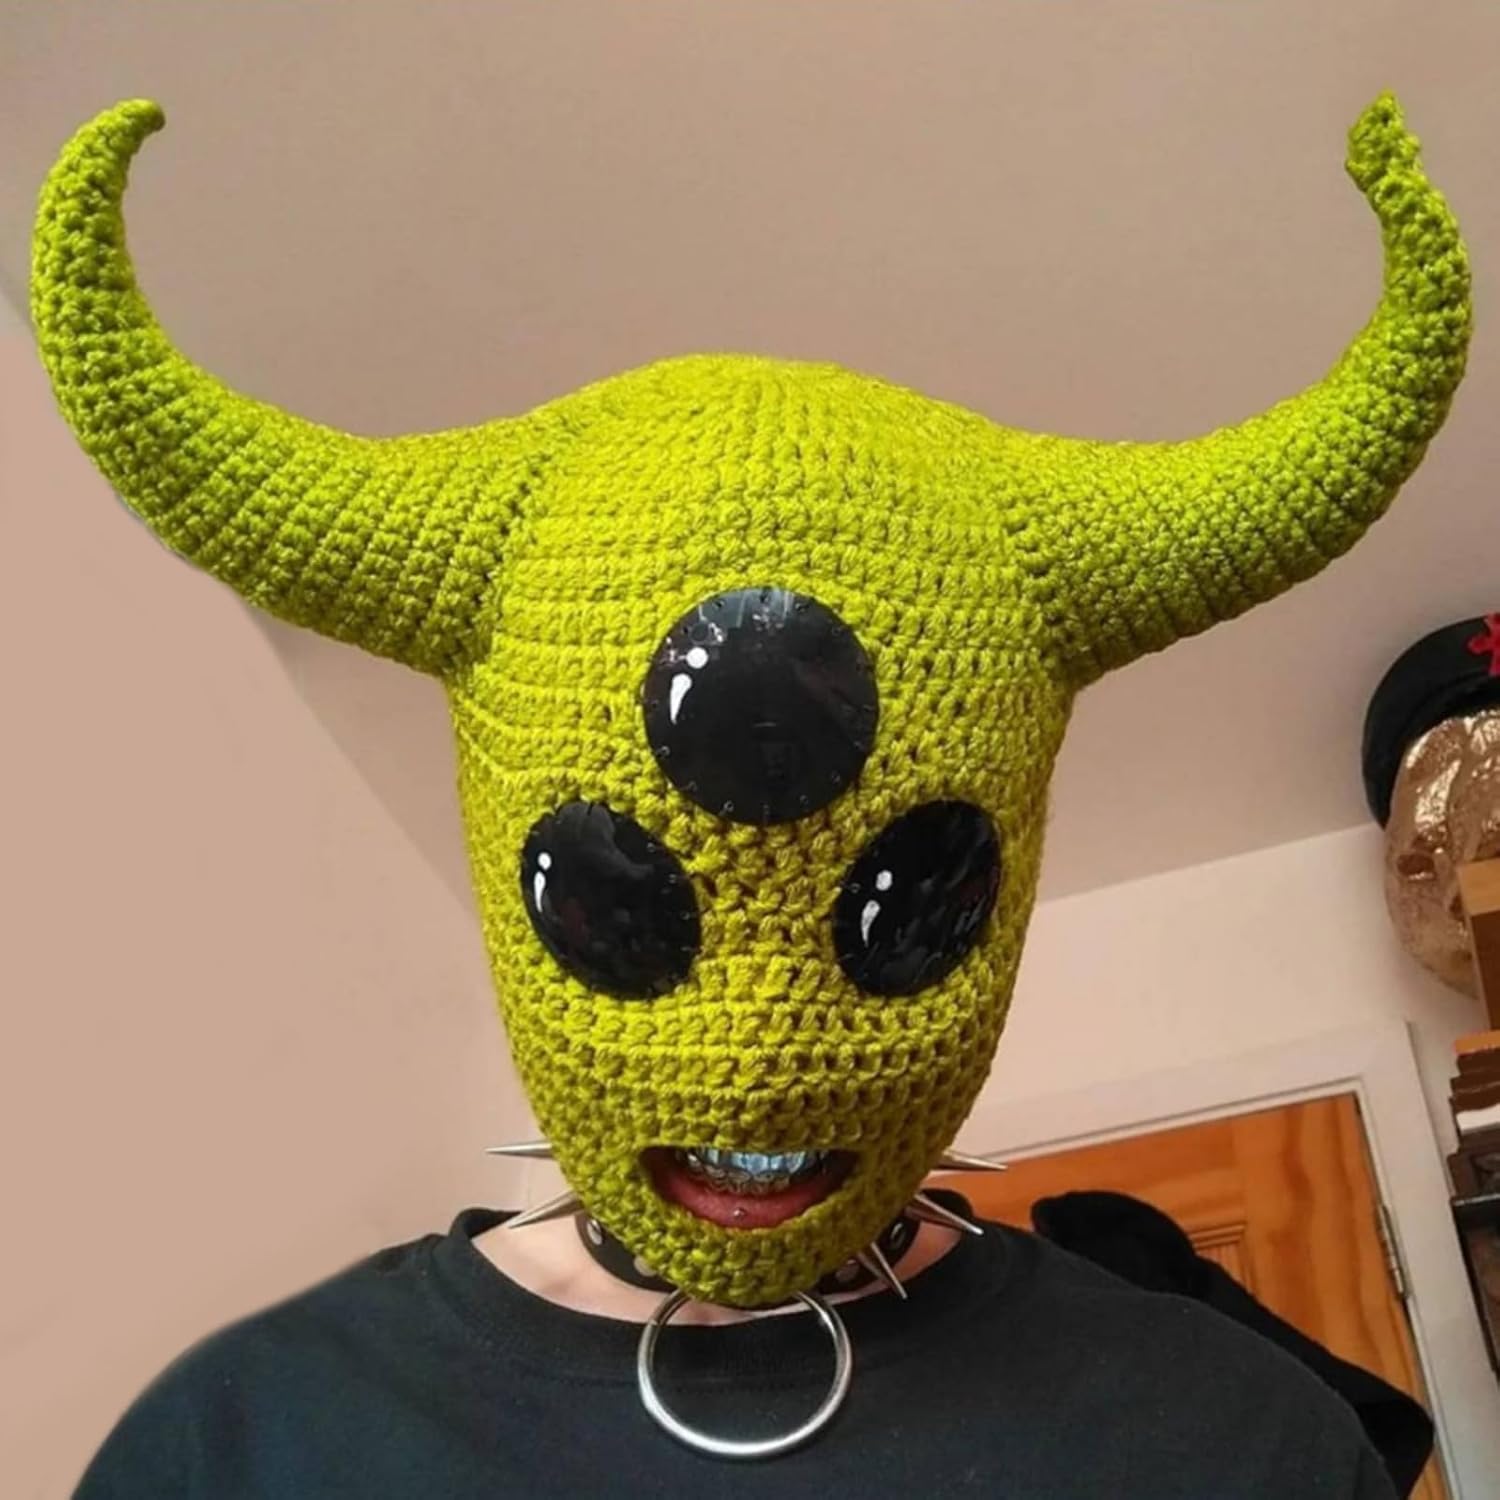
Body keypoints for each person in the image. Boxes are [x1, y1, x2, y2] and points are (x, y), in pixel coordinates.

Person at [34, 89, 1468, 1497]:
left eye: (905, 911)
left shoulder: (1241, 1447)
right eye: (618, 907)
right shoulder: (238, 1448)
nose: (758, 1065)